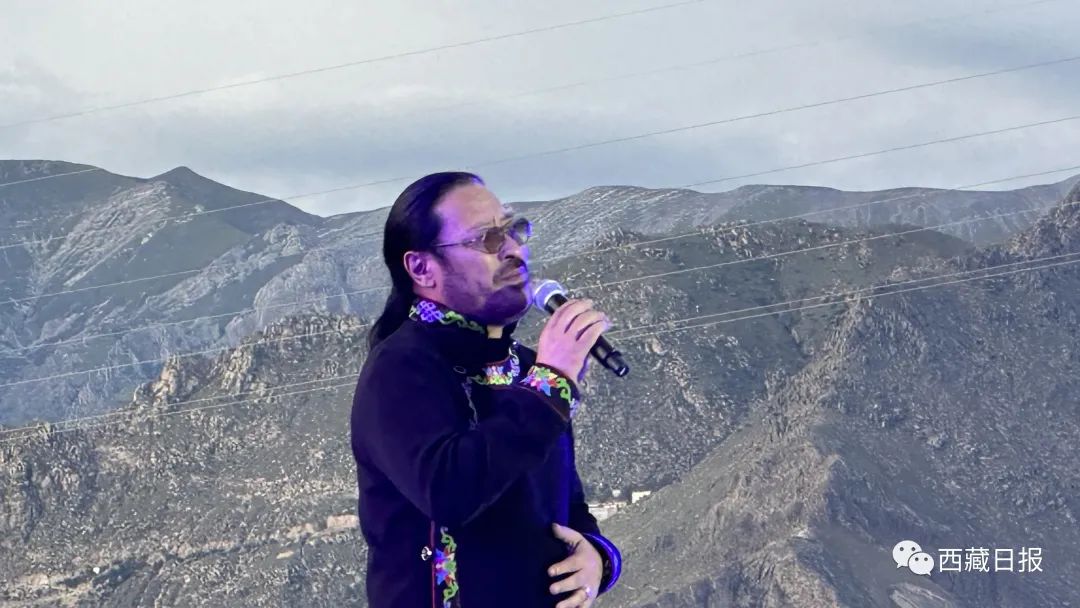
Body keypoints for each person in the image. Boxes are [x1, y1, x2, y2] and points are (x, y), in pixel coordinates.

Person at [350, 171, 623, 607]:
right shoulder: (400, 370)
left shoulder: (529, 370)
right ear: (421, 268)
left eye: (513, 230)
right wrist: (551, 383)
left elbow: (566, 507)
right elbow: (449, 492)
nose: (514, 249)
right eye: (488, 239)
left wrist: (598, 559)